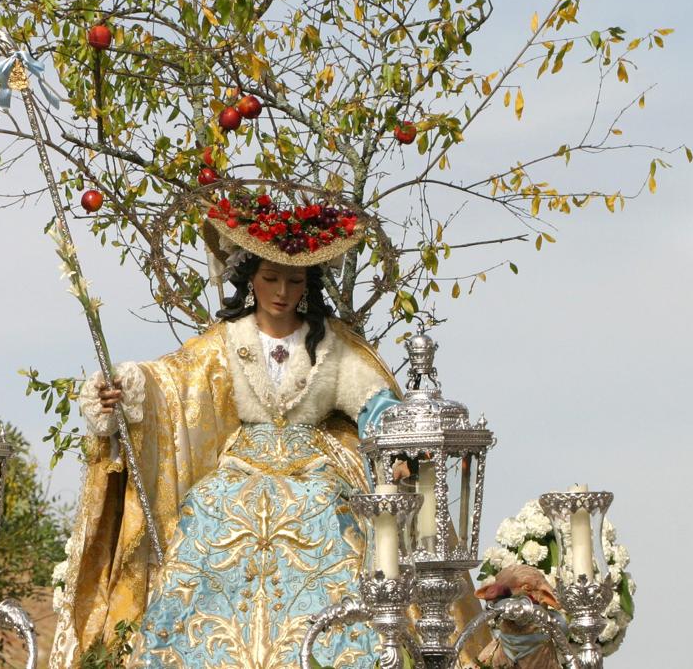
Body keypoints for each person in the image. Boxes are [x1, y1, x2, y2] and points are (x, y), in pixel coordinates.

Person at [48, 190, 426, 668]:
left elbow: (372, 398)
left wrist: (399, 440)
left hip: (315, 469)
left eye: (294, 280)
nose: (283, 292)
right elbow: (173, 381)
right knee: (210, 506)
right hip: (242, 466)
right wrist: (125, 386)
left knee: (328, 514)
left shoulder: (330, 345)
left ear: (309, 284)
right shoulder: (226, 341)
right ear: (251, 279)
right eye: (271, 278)